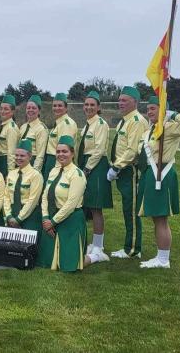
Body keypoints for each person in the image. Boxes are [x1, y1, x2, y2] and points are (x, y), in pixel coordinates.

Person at [136, 96, 180, 269]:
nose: (149, 112)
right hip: (150, 173)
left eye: (153, 108)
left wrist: (174, 115)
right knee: (155, 217)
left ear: (162, 110)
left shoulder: (169, 127)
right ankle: (160, 256)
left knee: (161, 218)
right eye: (148, 109)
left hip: (162, 173)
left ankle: (163, 259)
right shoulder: (149, 130)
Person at [41, 135, 106, 272]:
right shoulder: (53, 171)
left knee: (70, 266)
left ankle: (95, 256)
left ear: (72, 153)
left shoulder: (78, 174)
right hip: (51, 218)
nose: (60, 154)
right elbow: (45, 196)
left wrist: (53, 221)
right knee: (44, 262)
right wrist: (45, 218)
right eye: (58, 152)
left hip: (70, 220)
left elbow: (71, 204)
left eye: (64, 151)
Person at [106, 86, 149, 259]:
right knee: (126, 208)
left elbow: (132, 150)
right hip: (123, 170)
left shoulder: (136, 121)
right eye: (120, 100)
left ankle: (132, 249)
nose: (120, 103)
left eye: (125, 100)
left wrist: (116, 167)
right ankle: (130, 245)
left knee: (131, 210)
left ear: (135, 102)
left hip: (130, 170)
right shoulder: (125, 120)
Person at [78, 91, 113, 257]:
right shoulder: (86, 125)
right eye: (86, 105)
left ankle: (99, 246)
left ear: (98, 107)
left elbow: (99, 150)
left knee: (96, 207)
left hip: (96, 166)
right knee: (89, 205)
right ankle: (94, 242)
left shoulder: (100, 124)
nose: (89, 107)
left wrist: (87, 169)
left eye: (92, 105)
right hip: (87, 163)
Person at [2, 139, 46, 265]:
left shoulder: (36, 175)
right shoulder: (11, 174)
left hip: (30, 216)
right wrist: (9, 216)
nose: (19, 158)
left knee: (29, 252)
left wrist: (18, 219)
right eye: (17, 155)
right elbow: (6, 197)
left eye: (22, 155)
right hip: (12, 214)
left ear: (30, 156)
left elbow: (33, 200)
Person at [42, 93, 78, 179]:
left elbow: (64, 151)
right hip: (51, 161)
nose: (56, 108)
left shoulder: (66, 124)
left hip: (57, 163)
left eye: (60, 106)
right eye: (54, 106)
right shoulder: (59, 123)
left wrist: (59, 170)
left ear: (66, 108)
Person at [17, 94, 48, 172]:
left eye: (34, 108)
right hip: (20, 162)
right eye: (28, 108)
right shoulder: (23, 127)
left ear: (39, 110)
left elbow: (40, 155)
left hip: (32, 163)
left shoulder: (41, 129)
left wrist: (35, 172)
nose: (30, 110)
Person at [0, 94, 20, 176]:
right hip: (0, 161)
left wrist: (10, 173)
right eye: (1, 109)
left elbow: (11, 153)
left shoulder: (11, 128)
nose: (2, 111)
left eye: (6, 109)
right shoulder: (4, 125)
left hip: (5, 162)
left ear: (12, 112)